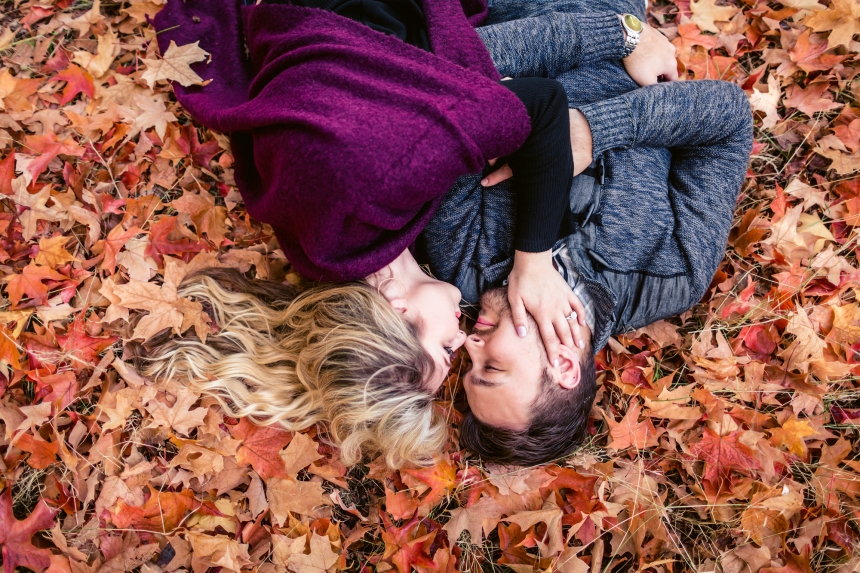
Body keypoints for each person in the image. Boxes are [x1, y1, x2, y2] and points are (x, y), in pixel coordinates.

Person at [142, 0, 680, 467]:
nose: (465, 337)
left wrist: (532, 261)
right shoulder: (323, 252)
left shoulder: (385, 184)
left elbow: (539, 108)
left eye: (446, 349)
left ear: (397, 310)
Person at [416, 0, 754, 465]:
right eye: (490, 367)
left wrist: (617, 38)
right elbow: (728, 119)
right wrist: (594, 131)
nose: (469, 345)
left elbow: (443, 76)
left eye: (465, 367)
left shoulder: (463, 266)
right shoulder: (673, 273)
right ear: (564, 366)